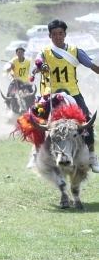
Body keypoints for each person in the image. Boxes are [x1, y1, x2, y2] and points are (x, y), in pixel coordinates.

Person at [40, 19, 99, 172]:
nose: (58, 37)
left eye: (60, 33)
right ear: (49, 36)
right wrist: (39, 68)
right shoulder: (44, 53)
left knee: (87, 120)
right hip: (53, 96)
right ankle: (40, 155)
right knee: (39, 120)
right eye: (54, 34)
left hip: (73, 93)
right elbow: (38, 65)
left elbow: (92, 65)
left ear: (65, 34)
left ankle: (92, 156)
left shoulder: (75, 51)